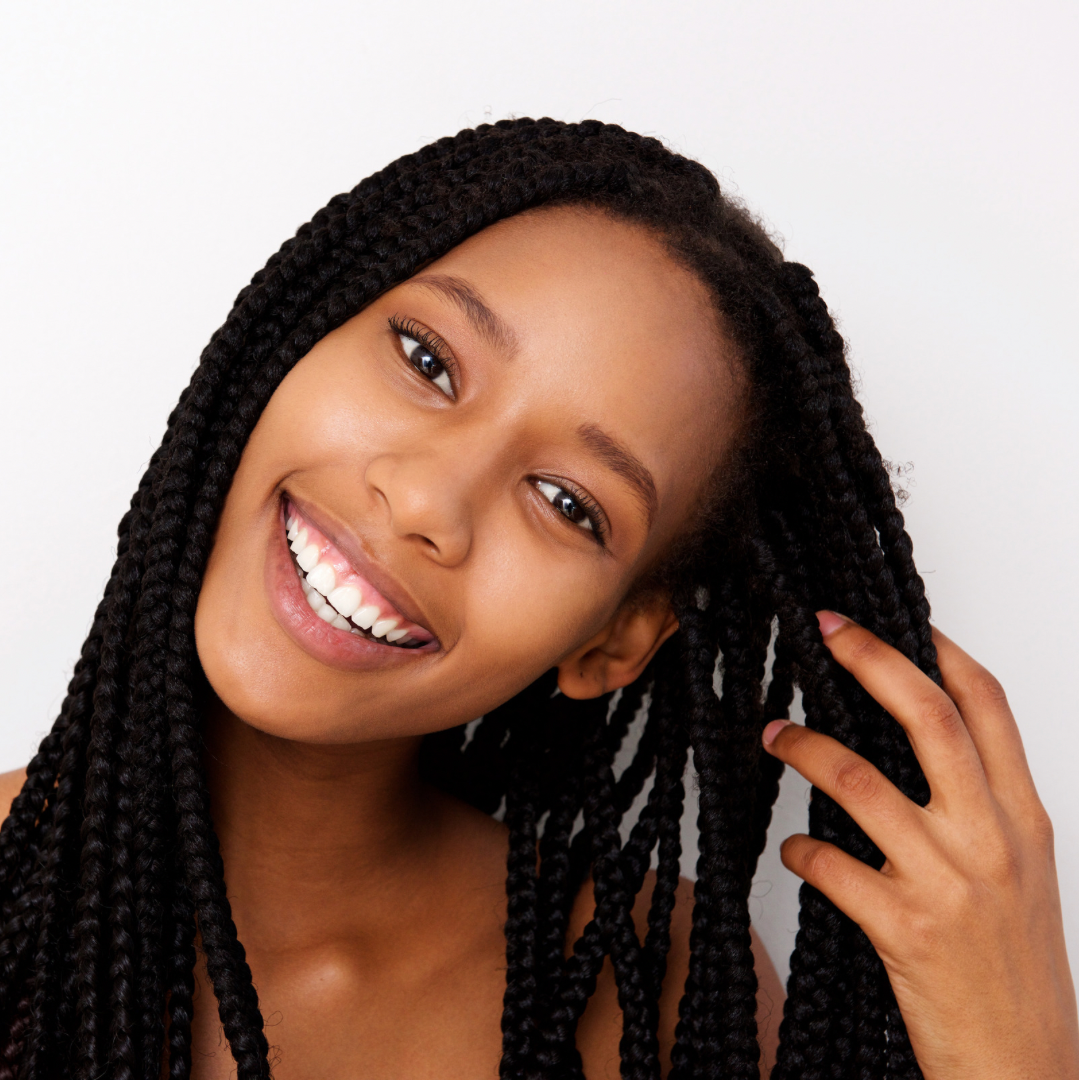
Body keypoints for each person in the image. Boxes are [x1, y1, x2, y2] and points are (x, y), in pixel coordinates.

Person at [0, 118, 1072, 1080]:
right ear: (291, 335)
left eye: (568, 503)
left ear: (611, 639)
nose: (426, 498)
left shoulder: (637, 1001)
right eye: (426, 359)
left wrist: (1014, 1056)